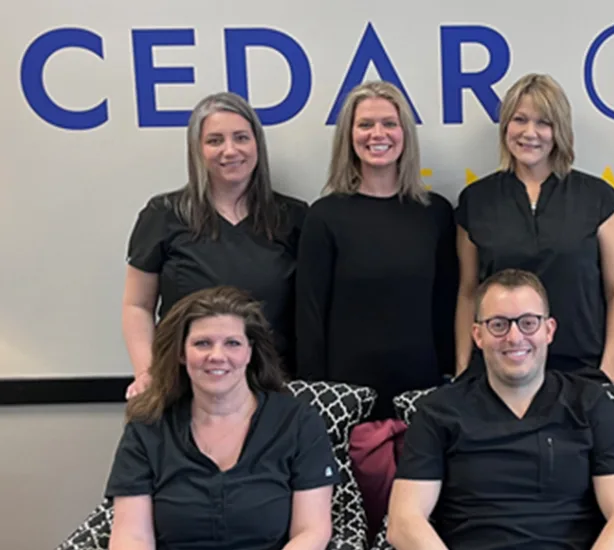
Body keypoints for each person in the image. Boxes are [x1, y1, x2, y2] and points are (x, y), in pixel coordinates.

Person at [386, 269, 614, 550]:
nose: (514, 337)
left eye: (528, 323)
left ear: (549, 330)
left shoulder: (590, 403)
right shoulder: (437, 411)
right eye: (498, 325)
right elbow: (404, 522)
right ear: (478, 335)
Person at [106, 286, 338, 550]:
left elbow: (312, 531)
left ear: (249, 352)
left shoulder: (298, 422)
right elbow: (131, 538)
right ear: (181, 353)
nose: (217, 356)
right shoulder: (147, 427)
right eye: (202, 343)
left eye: (232, 343)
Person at [121, 92, 308, 398]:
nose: (230, 150)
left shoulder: (294, 218)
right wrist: (146, 373)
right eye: (215, 140)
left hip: (273, 388)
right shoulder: (163, 215)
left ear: (257, 145)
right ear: (197, 149)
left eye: (241, 138)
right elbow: (136, 305)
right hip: (185, 388)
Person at [294, 80, 457, 421]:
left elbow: (446, 306)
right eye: (365, 124)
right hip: (347, 397)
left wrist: (449, 379)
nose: (377, 134)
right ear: (349, 135)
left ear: (405, 133)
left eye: (388, 123)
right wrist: (318, 395)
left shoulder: (436, 213)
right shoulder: (324, 216)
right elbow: (309, 316)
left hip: (421, 394)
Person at [453, 73, 614, 383]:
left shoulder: (599, 199)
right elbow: (469, 292)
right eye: (519, 120)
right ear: (505, 126)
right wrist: (463, 368)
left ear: (559, 130)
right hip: (498, 372)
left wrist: (609, 372)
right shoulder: (476, 201)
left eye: (543, 122)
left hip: (581, 372)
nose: (529, 133)